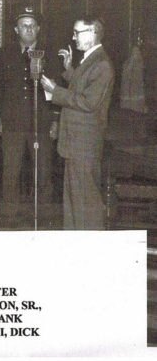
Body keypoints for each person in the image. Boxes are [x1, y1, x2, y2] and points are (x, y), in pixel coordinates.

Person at [40, 16, 115, 230]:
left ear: (92, 33)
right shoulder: (90, 59)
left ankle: (89, 249)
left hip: (84, 144)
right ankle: (76, 244)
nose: (73, 37)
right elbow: (83, 88)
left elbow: (88, 102)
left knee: (85, 202)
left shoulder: (102, 63)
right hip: (76, 144)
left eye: (77, 32)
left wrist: (55, 90)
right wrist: (69, 69)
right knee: (74, 201)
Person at [0, 6, 59, 224]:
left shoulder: (50, 55)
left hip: (41, 123)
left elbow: (57, 91)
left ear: (39, 28)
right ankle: (9, 216)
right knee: (10, 171)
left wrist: (55, 120)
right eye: (24, 25)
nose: (29, 29)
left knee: (43, 172)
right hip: (12, 123)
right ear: (16, 29)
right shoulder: (4, 54)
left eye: (32, 25)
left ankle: (43, 217)